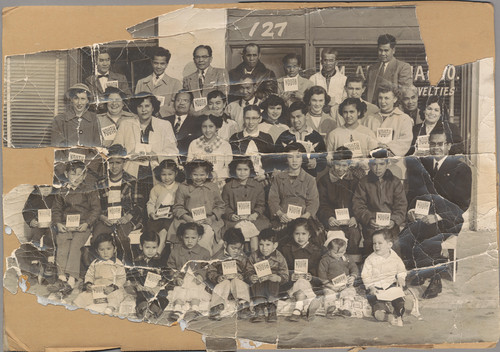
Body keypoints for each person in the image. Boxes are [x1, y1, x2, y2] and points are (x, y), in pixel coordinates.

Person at [399, 127, 471, 299]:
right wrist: (411, 211)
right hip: (422, 216)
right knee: (406, 234)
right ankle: (422, 270)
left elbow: (462, 204)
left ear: (448, 145)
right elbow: (414, 194)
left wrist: (437, 216)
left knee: (430, 232)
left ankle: (435, 279)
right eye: (433, 144)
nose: (436, 148)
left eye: (440, 144)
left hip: (449, 219)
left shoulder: (461, 168)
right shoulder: (423, 164)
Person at [113, 93, 179, 203]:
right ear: (135, 108)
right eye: (140, 106)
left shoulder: (164, 125)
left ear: (153, 107)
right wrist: (131, 154)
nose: (144, 110)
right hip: (131, 172)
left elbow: (173, 151)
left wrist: (156, 155)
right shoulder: (126, 124)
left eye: (147, 106)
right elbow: (116, 150)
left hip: (156, 172)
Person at [49, 161, 101, 295]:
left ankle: (72, 279)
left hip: (82, 227)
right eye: (73, 174)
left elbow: (96, 209)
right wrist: (58, 223)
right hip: (66, 226)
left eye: (80, 174)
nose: (77, 177)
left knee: (76, 245)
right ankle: (61, 278)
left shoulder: (89, 190)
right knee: (62, 242)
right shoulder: (62, 191)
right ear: (66, 174)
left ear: (84, 176)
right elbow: (56, 210)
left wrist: (87, 223)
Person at [89, 145, 143, 267]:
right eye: (111, 163)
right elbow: (95, 205)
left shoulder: (132, 181)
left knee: (122, 236)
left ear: (124, 162)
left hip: (124, 219)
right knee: (97, 237)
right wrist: (102, 217)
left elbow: (139, 205)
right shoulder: (101, 182)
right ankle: (100, 268)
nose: (114, 166)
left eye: (118, 163)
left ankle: (125, 265)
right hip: (106, 219)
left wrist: (128, 216)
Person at [352, 153, 407, 256]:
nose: (378, 168)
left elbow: (401, 206)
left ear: (387, 164)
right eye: (374, 164)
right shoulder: (363, 183)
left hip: (391, 227)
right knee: (371, 249)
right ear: (369, 164)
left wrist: (393, 221)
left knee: (394, 249)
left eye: (381, 164)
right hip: (372, 226)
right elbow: (358, 205)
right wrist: (369, 219)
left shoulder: (395, 182)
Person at [169, 160, 225, 255]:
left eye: (202, 175)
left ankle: (204, 262)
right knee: (187, 237)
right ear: (190, 174)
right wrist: (189, 219)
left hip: (208, 221)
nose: (199, 178)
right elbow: (177, 207)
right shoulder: (183, 187)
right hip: (188, 220)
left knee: (205, 237)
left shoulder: (213, 187)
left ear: (207, 174)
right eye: (195, 175)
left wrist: (211, 218)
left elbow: (221, 206)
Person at [317, 148, 362, 260]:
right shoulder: (324, 181)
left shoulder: (355, 181)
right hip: (333, 219)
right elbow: (322, 203)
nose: (341, 169)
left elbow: (358, 202)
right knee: (334, 234)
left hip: (350, 219)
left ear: (349, 165)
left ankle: (351, 262)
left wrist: (355, 217)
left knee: (354, 232)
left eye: (344, 166)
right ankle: (334, 261)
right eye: (338, 165)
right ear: (332, 163)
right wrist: (329, 217)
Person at [222, 158, 270, 253]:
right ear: (234, 170)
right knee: (237, 235)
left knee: (254, 236)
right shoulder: (228, 187)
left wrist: (255, 214)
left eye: (245, 170)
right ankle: (240, 257)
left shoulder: (257, 186)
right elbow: (224, 205)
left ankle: (255, 256)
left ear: (250, 170)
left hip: (253, 218)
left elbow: (261, 204)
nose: (242, 173)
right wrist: (231, 215)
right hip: (236, 220)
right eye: (239, 169)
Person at [279, 218, 322, 322]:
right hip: (291, 285)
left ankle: (298, 309)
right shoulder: (286, 249)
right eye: (297, 234)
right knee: (300, 283)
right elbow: (282, 269)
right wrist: (290, 276)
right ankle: (310, 302)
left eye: (303, 233)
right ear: (292, 234)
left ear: (310, 234)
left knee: (303, 282)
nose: (300, 237)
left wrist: (311, 277)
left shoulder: (317, 251)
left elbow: (320, 272)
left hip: (310, 284)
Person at [166, 222, 211, 321]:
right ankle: (177, 310)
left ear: (199, 237)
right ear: (182, 237)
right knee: (179, 293)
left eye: (193, 238)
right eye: (186, 238)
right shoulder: (176, 252)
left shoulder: (204, 252)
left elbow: (206, 267)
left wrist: (201, 276)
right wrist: (176, 277)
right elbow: (171, 267)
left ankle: (194, 310)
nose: (189, 241)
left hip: (195, 280)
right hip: (181, 279)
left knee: (196, 293)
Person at [361, 230, 407, 327]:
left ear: (389, 244)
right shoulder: (370, 259)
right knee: (377, 307)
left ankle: (399, 312)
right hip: (376, 288)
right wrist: (371, 287)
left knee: (400, 300)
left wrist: (400, 277)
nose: (376, 246)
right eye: (374, 243)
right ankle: (386, 316)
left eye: (380, 243)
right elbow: (365, 275)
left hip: (390, 285)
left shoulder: (395, 257)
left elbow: (401, 270)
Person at [73, 233, 126, 315]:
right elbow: (89, 275)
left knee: (117, 296)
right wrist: (89, 283)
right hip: (97, 289)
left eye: (109, 249)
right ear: (97, 251)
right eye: (102, 250)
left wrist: (113, 287)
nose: (105, 252)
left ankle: (109, 309)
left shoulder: (117, 263)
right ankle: (75, 307)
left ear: (114, 249)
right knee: (83, 296)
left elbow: (122, 278)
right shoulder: (95, 263)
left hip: (111, 289)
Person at [268, 143, 319, 227]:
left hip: (304, 217)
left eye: (298, 157)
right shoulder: (278, 178)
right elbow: (272, 199)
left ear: (302, 158)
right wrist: (280, 214)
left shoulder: (310, 179)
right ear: (286, 159)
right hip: (283, 216)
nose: (294, 160)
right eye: (290, 157)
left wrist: (304, 217)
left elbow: (313, 202)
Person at [206, 228, 252, 321]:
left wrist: (244, 276)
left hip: (237, 286)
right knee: (224, 283)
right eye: (233, 248)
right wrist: (217, 277)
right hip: (224, 286)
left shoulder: (242, 257)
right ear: (225, 244)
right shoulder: (218, 257)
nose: (236, 251)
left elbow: (249, 270)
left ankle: (243, 305)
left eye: (239, 248)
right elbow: (211, 270)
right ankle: (216, 307)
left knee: (238, 282)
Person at [245, 229, 289, 323]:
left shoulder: (279, 257)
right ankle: (259, 309)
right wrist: (251, 277)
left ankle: (272, 309)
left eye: (268, 244)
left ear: (275, 245)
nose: (264, 248)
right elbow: (248, 270)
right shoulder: (254, 256)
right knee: (256, 283)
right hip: (259, 284)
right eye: (261, 244)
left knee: (273, 282)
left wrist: (278, 278)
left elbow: (285, 274)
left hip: (274, 286)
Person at [275, 101, 326, 177]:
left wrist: (315, 163)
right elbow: (275, 159)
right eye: (292, 117)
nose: (295, 121)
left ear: (306, 116)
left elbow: (323, 160)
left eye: (298, 116)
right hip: (288, 179)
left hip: (309, 179)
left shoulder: (316, 136)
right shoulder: (284, 136)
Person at [127, 231, 171, 320]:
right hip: (142, 288)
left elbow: (166, 276)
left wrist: (158, 286)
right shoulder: (136, 261)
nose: (151, 251)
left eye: (154, 247)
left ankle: (153, 310)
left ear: (158, 247)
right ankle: (143, 308)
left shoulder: (161, 261)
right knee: (141, 297)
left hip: (156, 289)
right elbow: (131, 276)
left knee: (163, 299)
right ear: (140, 246)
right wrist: (136, 284)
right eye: (147, 247)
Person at [146, 159, 181, 261]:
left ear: (176, 173)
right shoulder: (156, 188)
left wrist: (174, 213)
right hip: (158, 215)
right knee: (153, 228)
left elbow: (181, 204)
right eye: (163, 174)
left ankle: (159, 251)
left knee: (166, 228)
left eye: (170, 174)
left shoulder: (180, 187)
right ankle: (152, 253)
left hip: (172, 215)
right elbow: (151, 203)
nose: (167, 178)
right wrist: (152, 213)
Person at [318, 231, 359, 318]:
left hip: (345, 284)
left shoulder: (347, 258)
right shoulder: (325, 260)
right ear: (329, 250)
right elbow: (322, 274)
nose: (338, 255)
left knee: (350, 292)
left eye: (342, 252)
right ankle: (330, 307)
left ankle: (346, 308)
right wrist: (330, 285)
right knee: (329, 294)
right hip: (331, 285)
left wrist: (352, 277)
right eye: (335, 253)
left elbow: (354, 267)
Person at [229, 105, 275, 182]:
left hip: (262, 179)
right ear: (243, 118)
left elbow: (272, 162)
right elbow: (232, 163)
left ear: (260, 119)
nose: (251, 122)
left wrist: (265, 175)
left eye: (254, 118)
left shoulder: (266, 138)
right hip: (240, 180)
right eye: (247, 118)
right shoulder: (236, 138)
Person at [365, 85, 414, 156]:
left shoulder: (404, 118)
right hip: (373, 160)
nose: (382, 101)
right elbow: (365, 138)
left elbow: (405, 140)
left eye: (386, 98)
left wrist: (387, 148)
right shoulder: (370, 118)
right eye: (380, 98)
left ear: (395, 99)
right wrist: (376, 146)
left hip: (395, 161)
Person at [365, 34, 413, 104]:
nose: (383, 54)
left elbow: (405, 92)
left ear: (393, 50)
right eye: (380, 50)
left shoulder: (403, 67)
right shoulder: (372, 69)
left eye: (386, 50)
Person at [135, 47, 182, 117]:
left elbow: (177, 106)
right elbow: (136, 104)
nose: (158, 67)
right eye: (156, 63)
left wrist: (159, 112)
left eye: (162, 64)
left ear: (167, 64)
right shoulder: (141, 83)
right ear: (151, 62)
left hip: (165, 121)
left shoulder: (175, 83)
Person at [51, 83, 101, 147]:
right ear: (71, 99)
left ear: (87, 101)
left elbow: (97, 147)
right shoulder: (59, 120)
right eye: (76, 98)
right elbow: (56, 149)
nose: (79, 103)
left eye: (83, 99)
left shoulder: (94, 119)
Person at [187, 114, 233, 183]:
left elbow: (229, 168)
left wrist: (216, 174)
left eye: (211, 126)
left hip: (218, 182)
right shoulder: (194, 144)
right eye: (204, 127)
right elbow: (189, 165)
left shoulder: (225, 145)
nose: (207, 130)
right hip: (197, 182)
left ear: (217, 127)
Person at [163, 90, 202, 158]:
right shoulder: (164, 121)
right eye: (178, 100)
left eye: (185, 101)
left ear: (191, 104)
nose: (181, 103)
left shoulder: (197, 122)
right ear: (174, 102)